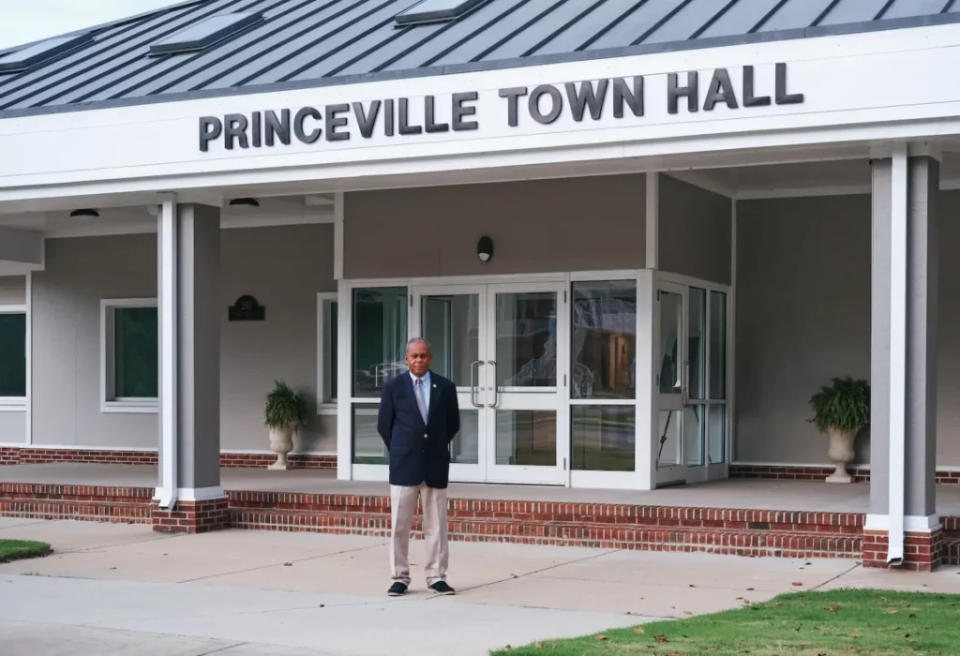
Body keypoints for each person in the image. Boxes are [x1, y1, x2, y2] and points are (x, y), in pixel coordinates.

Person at [377, 337, 460, 596]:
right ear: (406, 359)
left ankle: (436, 576)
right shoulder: (394, 386)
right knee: (399, 526)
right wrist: (404, 449)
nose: (419, 360)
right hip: (404, 465)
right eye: (414, 356)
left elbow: (452, 424)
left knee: (436, 526)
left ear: (430, 358)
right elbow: (384, 425)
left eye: (423, 356)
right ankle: (399, 577)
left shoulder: (445, 387)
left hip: (435, 464)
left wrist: (431, 448)